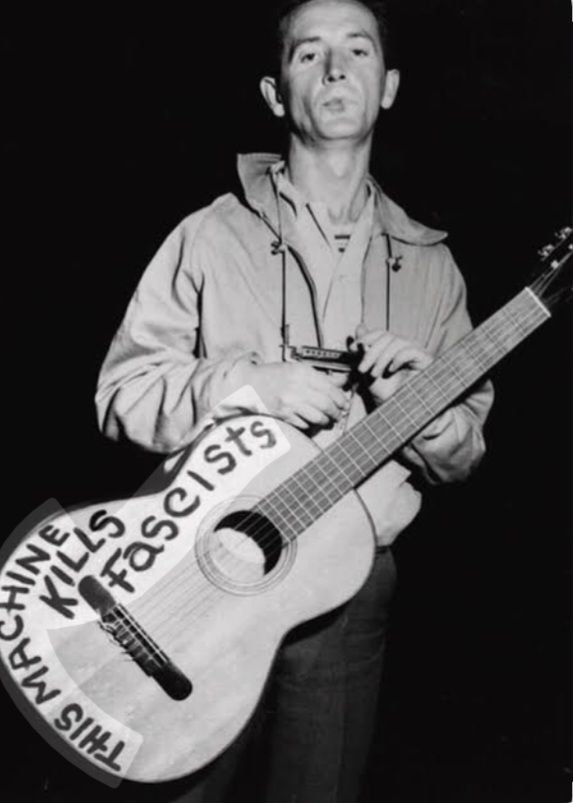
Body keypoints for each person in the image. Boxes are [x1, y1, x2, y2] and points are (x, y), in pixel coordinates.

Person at [95, 1, 494, 800]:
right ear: (277, 94)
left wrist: (416, 407)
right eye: (308, 54)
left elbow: (464, 451)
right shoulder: (207, 235)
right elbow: (122, 394)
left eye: (357, 50)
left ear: (388, 86)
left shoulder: (433, 269)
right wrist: (248, 386)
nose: (336, 68)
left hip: (350, 589)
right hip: (203, 563)